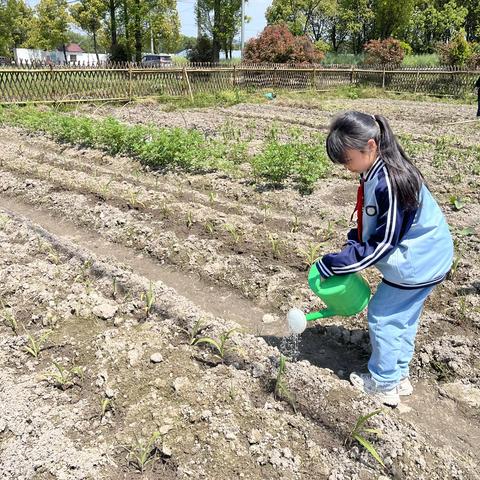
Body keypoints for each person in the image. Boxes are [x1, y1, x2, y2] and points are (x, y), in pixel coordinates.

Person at [316, 111, 453, 407]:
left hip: (419, 261)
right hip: (429, 255)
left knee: (384, 315)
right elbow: (374, 225)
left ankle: (384, 384)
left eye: (348, 159)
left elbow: (385, 243)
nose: (346, 167)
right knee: (403, 316)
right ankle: (398, 375)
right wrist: (353, 243)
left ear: (371, 146)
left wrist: (337, 262)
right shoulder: (375, 170)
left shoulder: (391, 181)